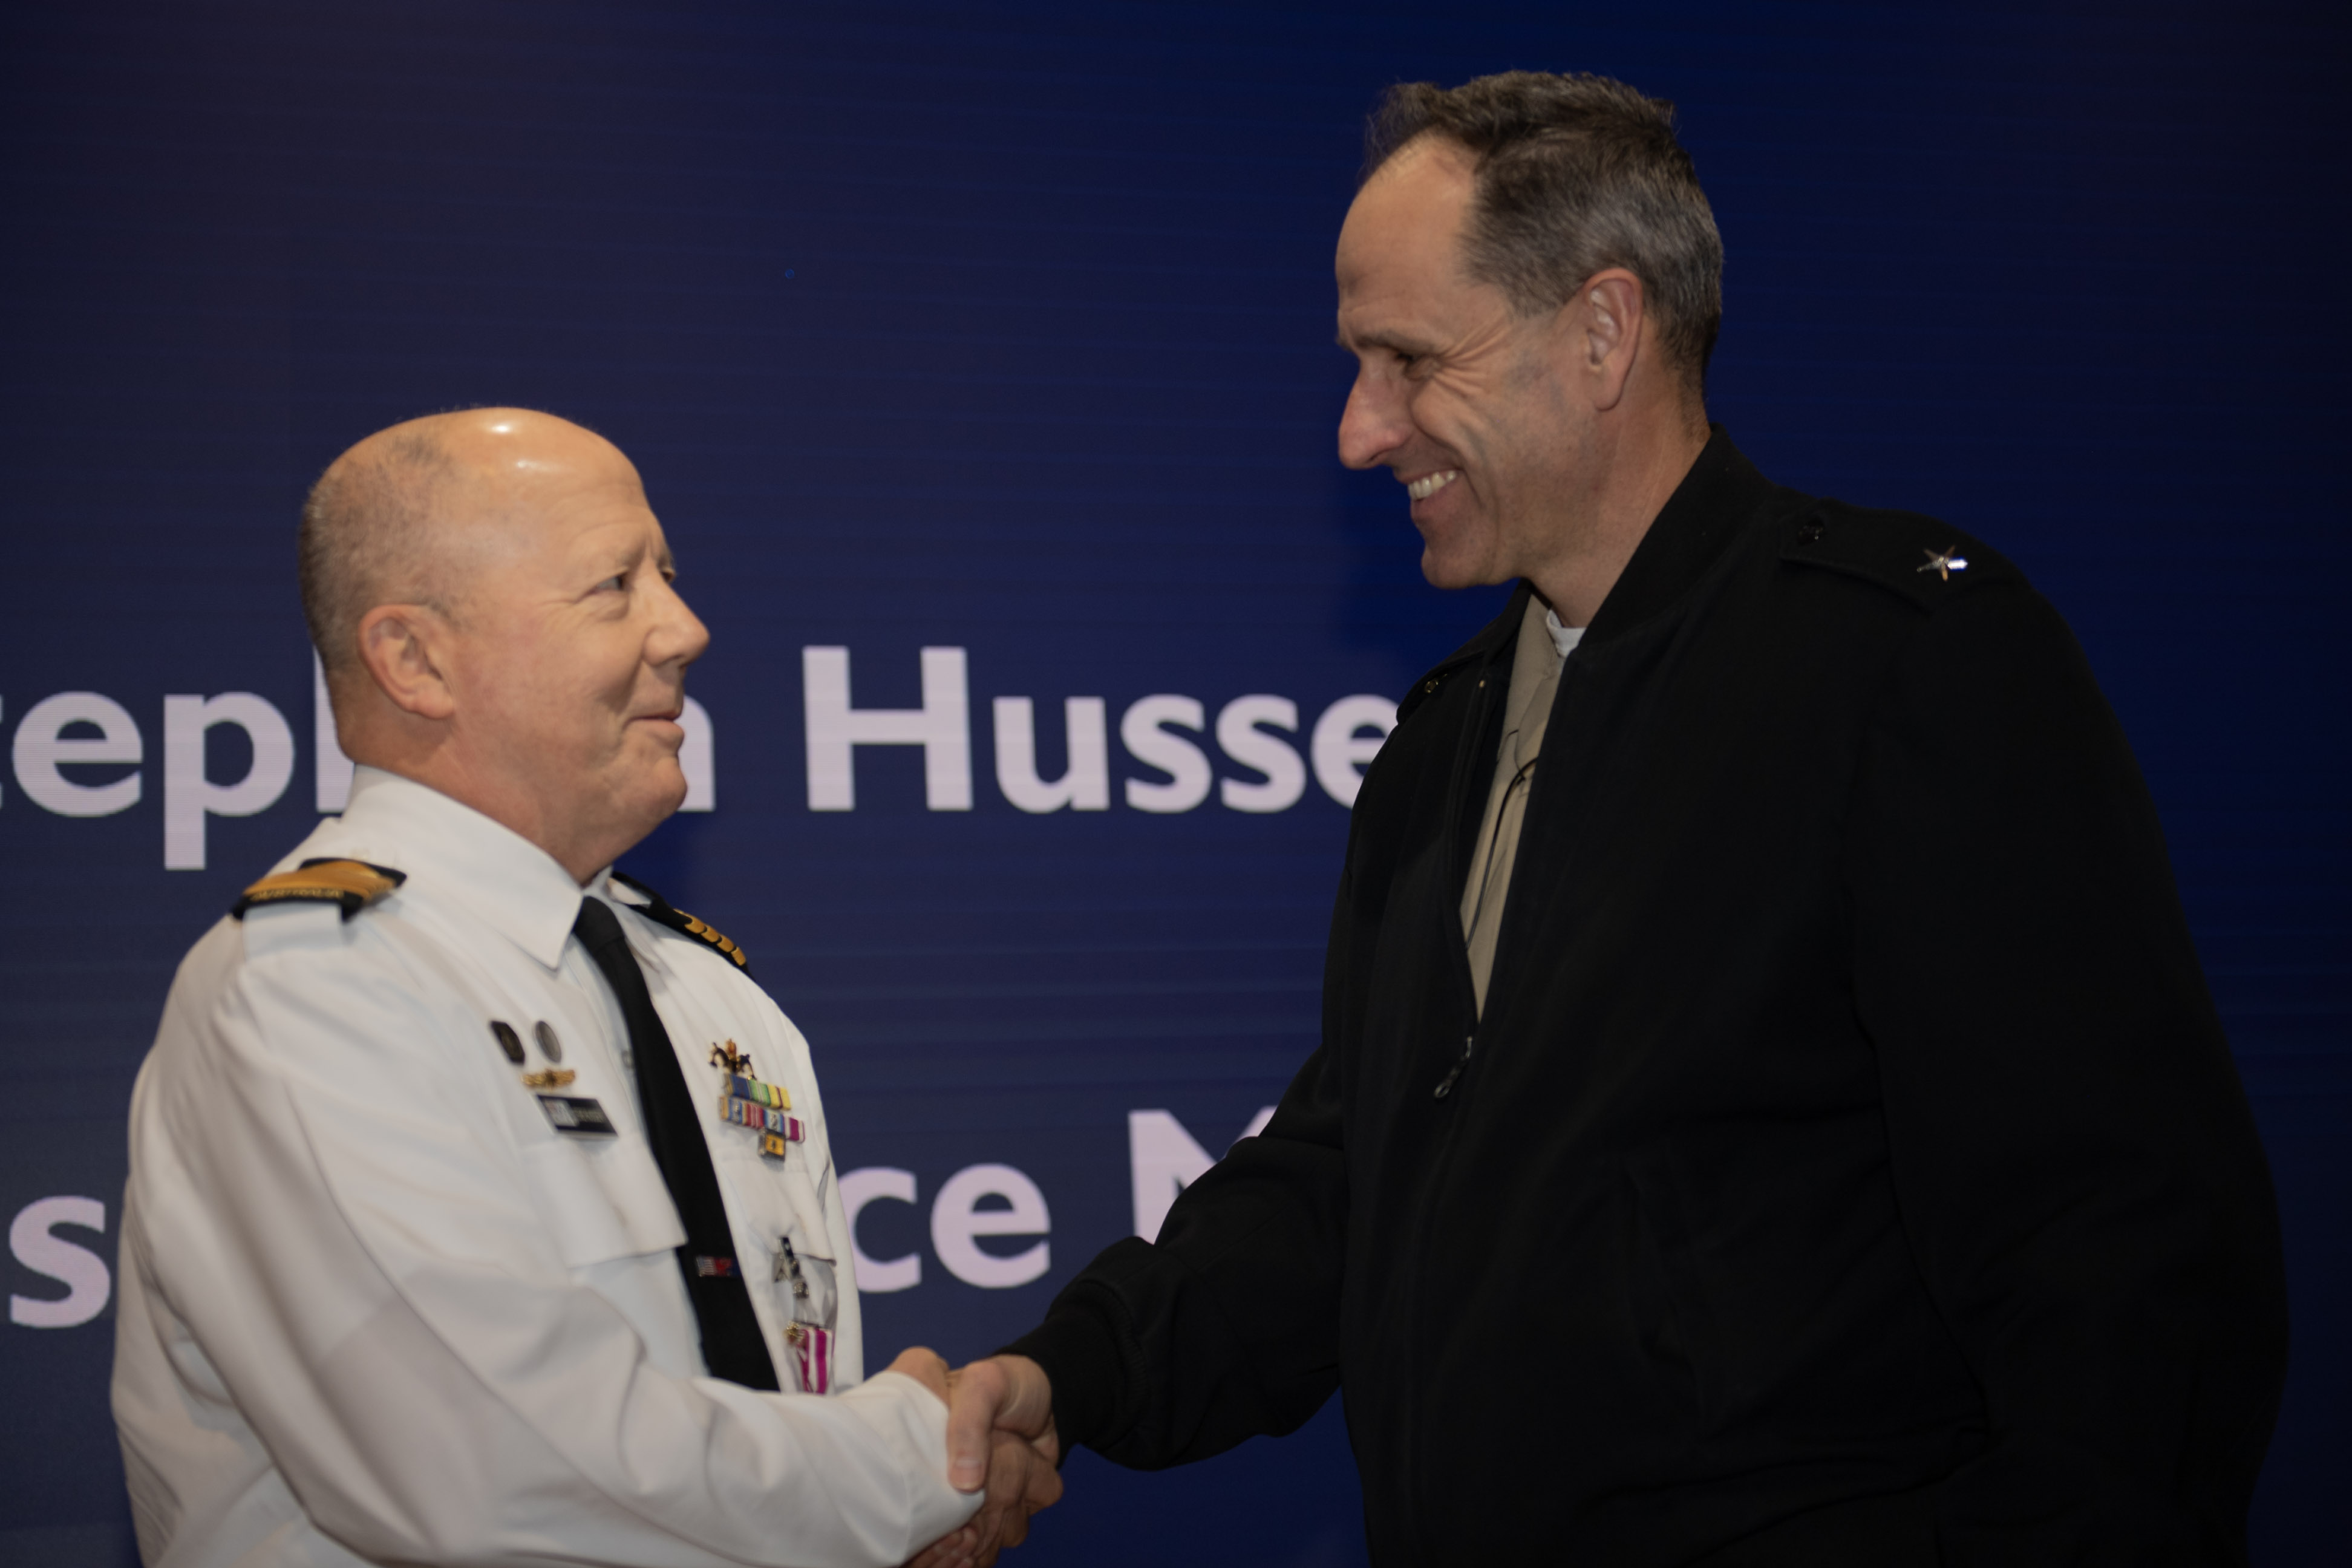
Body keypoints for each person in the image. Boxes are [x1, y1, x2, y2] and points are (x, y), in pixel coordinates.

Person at [945, 72, 2290, 1564]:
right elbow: (1346, 1185)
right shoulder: (1445, 738)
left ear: (1602, 333)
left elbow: (2128, 1279)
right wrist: (1073, 1375)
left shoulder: (1903, 667)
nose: (1357, 431)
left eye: (1406, 359)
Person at [111, 408, 1055, 1567]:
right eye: (615, 586)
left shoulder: (712, 997)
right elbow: (489, 1472)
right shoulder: (310, 991)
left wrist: (881, 1504)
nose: (687, 628)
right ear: (414, 661)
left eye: (668, 574)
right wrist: (923, 1462)